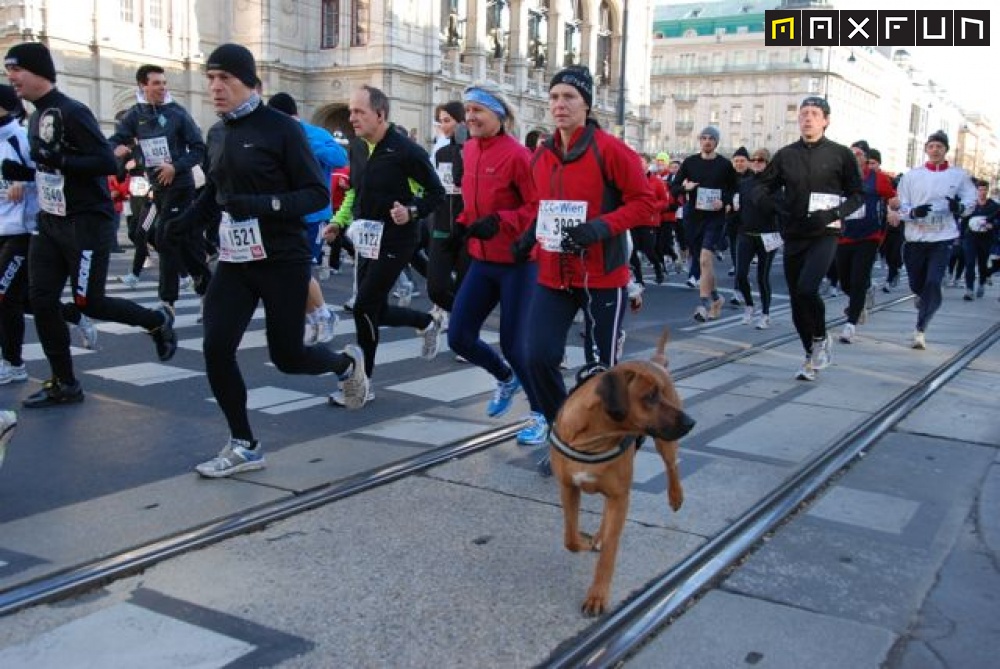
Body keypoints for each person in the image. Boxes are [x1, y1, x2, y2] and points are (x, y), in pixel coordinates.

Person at [166, 43, 367, 477]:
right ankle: (244, 443)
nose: (216, 88)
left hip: (283, 257)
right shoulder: (217, 133)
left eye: (225, 79)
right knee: (216, 347)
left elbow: (315, 194)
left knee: (289, 356)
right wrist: (182, 221)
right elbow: (216, 192)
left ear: (248, 82)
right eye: (211, 79)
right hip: (237, 260)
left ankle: (345, 364)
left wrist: (263, 205)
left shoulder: (281, 129)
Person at [2, 42, 177, 407]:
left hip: (85, 223)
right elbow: (51, 166)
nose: (10, 77)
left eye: (16, 69)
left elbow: (103, 163)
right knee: (42, 299)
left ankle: (156, 321)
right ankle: (65, 383)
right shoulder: (35, 116)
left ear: (38, 71)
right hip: (50, 222)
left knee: (89, 302)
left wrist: (59, 158)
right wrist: (28, 172)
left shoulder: (72, 111)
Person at [523, 66, 656, 473]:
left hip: (601, 276)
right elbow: (544, 208)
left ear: (586, 104)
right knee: (536, 356)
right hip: (553, 275)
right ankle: (566, 435)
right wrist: (527, 237)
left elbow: (646, 203)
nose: (559, 105)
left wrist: (600, 227)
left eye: (569, 97)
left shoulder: (611, 150)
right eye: (555, 97)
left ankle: (624, 435)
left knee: (602, 373)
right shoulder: (542, 154)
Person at [322, 84, 446, 407]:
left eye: (359, 112)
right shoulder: (358, 148)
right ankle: (425, 322)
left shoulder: (407, 151)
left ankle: (363, 382)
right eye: (350, 111)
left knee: (363, 306)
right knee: (372, 309)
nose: (352, 118)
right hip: (366, 237)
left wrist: (412, 211)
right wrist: (339, 221)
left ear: (380, 114)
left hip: (398, 238)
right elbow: (355, 194)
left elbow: (435, 193)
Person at [751, 96, 863, 381]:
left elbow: (858, 194)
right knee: (797, 300)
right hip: (795, 233)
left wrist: (835, 213)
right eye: (803, 114)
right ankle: (810, 354)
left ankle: (821, 336)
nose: (807, 118)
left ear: (825, 120)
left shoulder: (840, 154)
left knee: (807, 288)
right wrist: (777, 207)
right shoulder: (786, 154)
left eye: (814, 113)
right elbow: (762, 188)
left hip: (826, 232)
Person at [446, 83, 540, 420]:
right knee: (458, 337)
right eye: (467, 110)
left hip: (516, 262)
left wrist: (501, 220)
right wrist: (461, 222)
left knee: (516, 346)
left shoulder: (518, 155)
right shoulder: (469, 150)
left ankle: (541, 414)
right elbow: (473, 202)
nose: (470, 117)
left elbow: (537, 207)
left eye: (478, 110)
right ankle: (504, 378)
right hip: (482, 260)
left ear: (498, 115)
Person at [108, 64, 211, 311]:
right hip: (155, 189)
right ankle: (202, 279)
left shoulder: (178, 113)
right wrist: (116, 150)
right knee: (157, 235)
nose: (162, 87)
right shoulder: (135, 114)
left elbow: (198, 148)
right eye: (156, 83)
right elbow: (116, 139)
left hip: (180, 185)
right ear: (143, 86)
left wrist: (175, 167)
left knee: (166, 236)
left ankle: (168, 301)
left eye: (164, 83)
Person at [266, 92, 347, 345]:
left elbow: (340, 159)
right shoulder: (272, 136)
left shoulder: (315, 134)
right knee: (285, 271)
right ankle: (315, 315)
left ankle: (321, 314)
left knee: (300, 269)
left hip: (312, 214)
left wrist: (305, 142)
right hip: (283, 212)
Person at [896, 130, 977, 349]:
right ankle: (923, 299)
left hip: (942, 237)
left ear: (945, 150)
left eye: (939, 146)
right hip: (916, 237)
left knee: (933, 281)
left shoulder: (958, 175)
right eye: (931, 146)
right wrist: (913, 213)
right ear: (926, 149)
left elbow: (971, 200)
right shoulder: (912, 176)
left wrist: (959, 207)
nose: (935, 150)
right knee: (917, 283)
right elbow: (900, 205)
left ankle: (920, 328)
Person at [670, 126, 738, 321]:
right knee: (704, 263)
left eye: (711, 139)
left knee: (705, 260)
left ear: (716, 142)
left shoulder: (724, 165)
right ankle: (717, 298)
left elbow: (734, 189)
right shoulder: (690, 162)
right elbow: (673, 188)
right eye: (704, 138)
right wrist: (684, 187)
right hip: (694, 217)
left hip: (714, 218)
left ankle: (703, 304)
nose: (707, 141)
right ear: (700, 141)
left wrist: (723, 201)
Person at [836, 140, 898, 344]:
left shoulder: (878, 179)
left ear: (866, 158)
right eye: (851, 152)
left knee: (857, 279)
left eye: (859, 154)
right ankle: (862, 296)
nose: (854, 156)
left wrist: (893, 209)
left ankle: (850, 324)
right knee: (843, 279)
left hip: (869, 236)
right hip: (844, 235)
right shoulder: (840, 177)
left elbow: (893, 198)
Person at [0, 84, 36, 385]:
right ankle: (74, 315)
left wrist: (25, 183)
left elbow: (47, 175)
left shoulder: (19, 137)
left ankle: (14, 363)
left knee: (5, 296)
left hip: (20, 231)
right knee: (21, 298)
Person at [426, 101, 468, 315]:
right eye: (441, 121)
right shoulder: (441, 153)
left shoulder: (473, 151)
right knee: (435, 288)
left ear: (462, 122)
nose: (443, 126)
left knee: (464, 288)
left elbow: (461, 180)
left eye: (447, 121)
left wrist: (463, 146)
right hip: (442, 226)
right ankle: (460, 314)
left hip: (467, 231)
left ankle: (462, 325)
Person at [733, 148, 779, 329]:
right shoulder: (745, 183)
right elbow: (740, 209)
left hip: (768, 235)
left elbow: (780, 209)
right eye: (754, 160)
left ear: (768, 164)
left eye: (761, 160)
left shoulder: (775, 184)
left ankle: (765, 313)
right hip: (746, 234)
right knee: (741, 274)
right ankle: (750, 306)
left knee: (763, 276)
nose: (757, 162)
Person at [960, 179, 998, 300]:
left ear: (987, 191)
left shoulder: (994, 206)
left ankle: (981, 283)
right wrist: (960, 237)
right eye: (980, 190)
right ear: (976, 191)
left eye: (984, 190)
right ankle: (969, 290)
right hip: (970, 237)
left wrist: (993, 225)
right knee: (969, 263)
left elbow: (998, 220)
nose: (982, 192)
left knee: (982, 263)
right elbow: (963, 221)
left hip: (985, 238)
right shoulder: (971, 205)